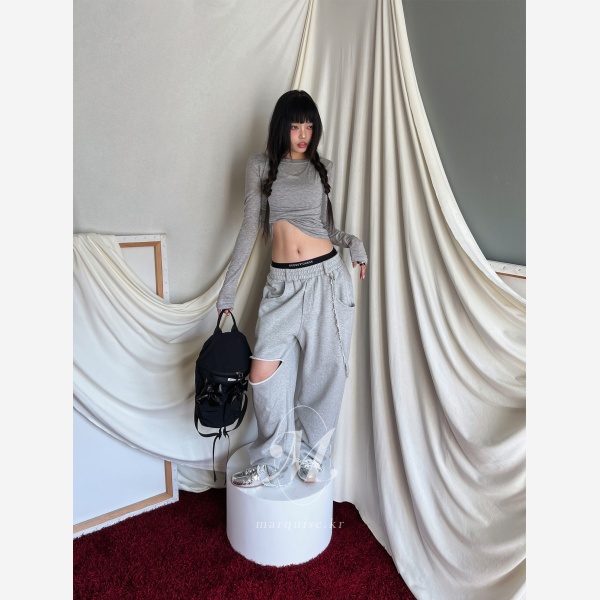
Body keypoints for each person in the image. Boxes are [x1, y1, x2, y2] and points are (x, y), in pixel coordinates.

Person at [217, 90, 368, 488]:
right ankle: (272, 460)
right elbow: (250, 228)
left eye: (310, 127)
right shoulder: (260, 166)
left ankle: (315, 456)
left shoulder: (323, 168)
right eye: (296, 126)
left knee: (326, 375)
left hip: (326, 280)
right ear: (282, 126)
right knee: (262, 372)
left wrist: (353, 242)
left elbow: (326, 228)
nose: (303, 135)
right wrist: (227, 292)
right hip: (282, 286)